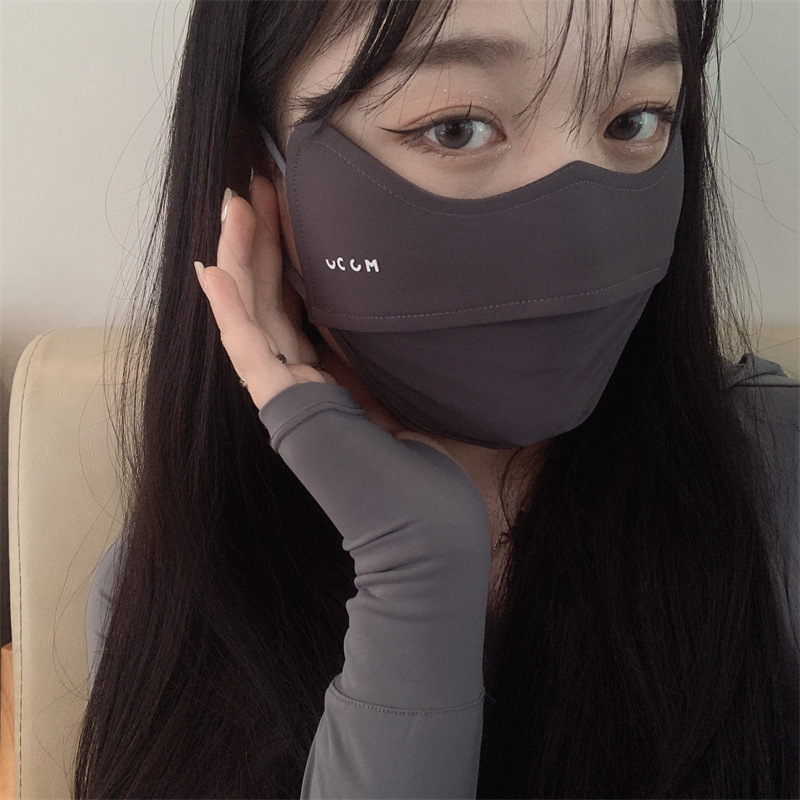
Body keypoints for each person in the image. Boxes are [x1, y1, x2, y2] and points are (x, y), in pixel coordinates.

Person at [75, 0, 799, 797]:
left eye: (635, 120)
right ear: (260, 166)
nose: (582, 243)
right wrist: (415, 571)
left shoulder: (781, 486)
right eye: (455, 128)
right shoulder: (176, 599)